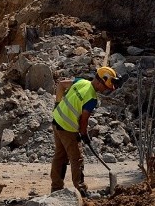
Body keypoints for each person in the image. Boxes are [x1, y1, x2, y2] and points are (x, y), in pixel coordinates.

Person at [50, 66, 119, 196]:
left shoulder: (81, 82)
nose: (105, 90)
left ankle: (56, 189)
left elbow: (61, 84)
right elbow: (84, 119)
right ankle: (81, 189)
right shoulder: (92, 98)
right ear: (99, 81)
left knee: (60, 156)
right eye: (105, 87)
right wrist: (83, 134)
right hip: (67, 128)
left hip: (56, 121)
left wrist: (57, 104)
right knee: (77, 158)